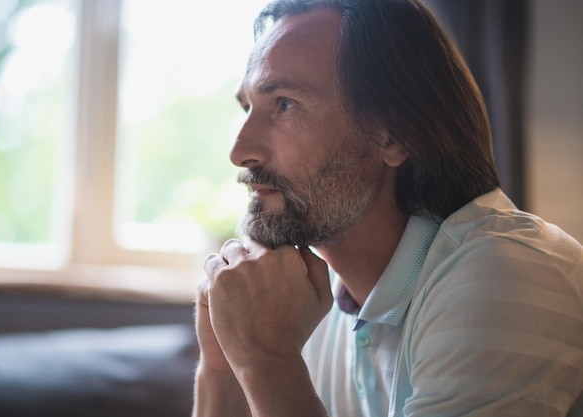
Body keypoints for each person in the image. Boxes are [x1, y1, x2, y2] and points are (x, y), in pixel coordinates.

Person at [193, 0, 583, 416]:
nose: (240, 151)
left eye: (284, 104)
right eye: (247, 107)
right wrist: (222, 364)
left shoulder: (508, 275)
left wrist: (266, 358)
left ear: (395, 135)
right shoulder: (306, 302)